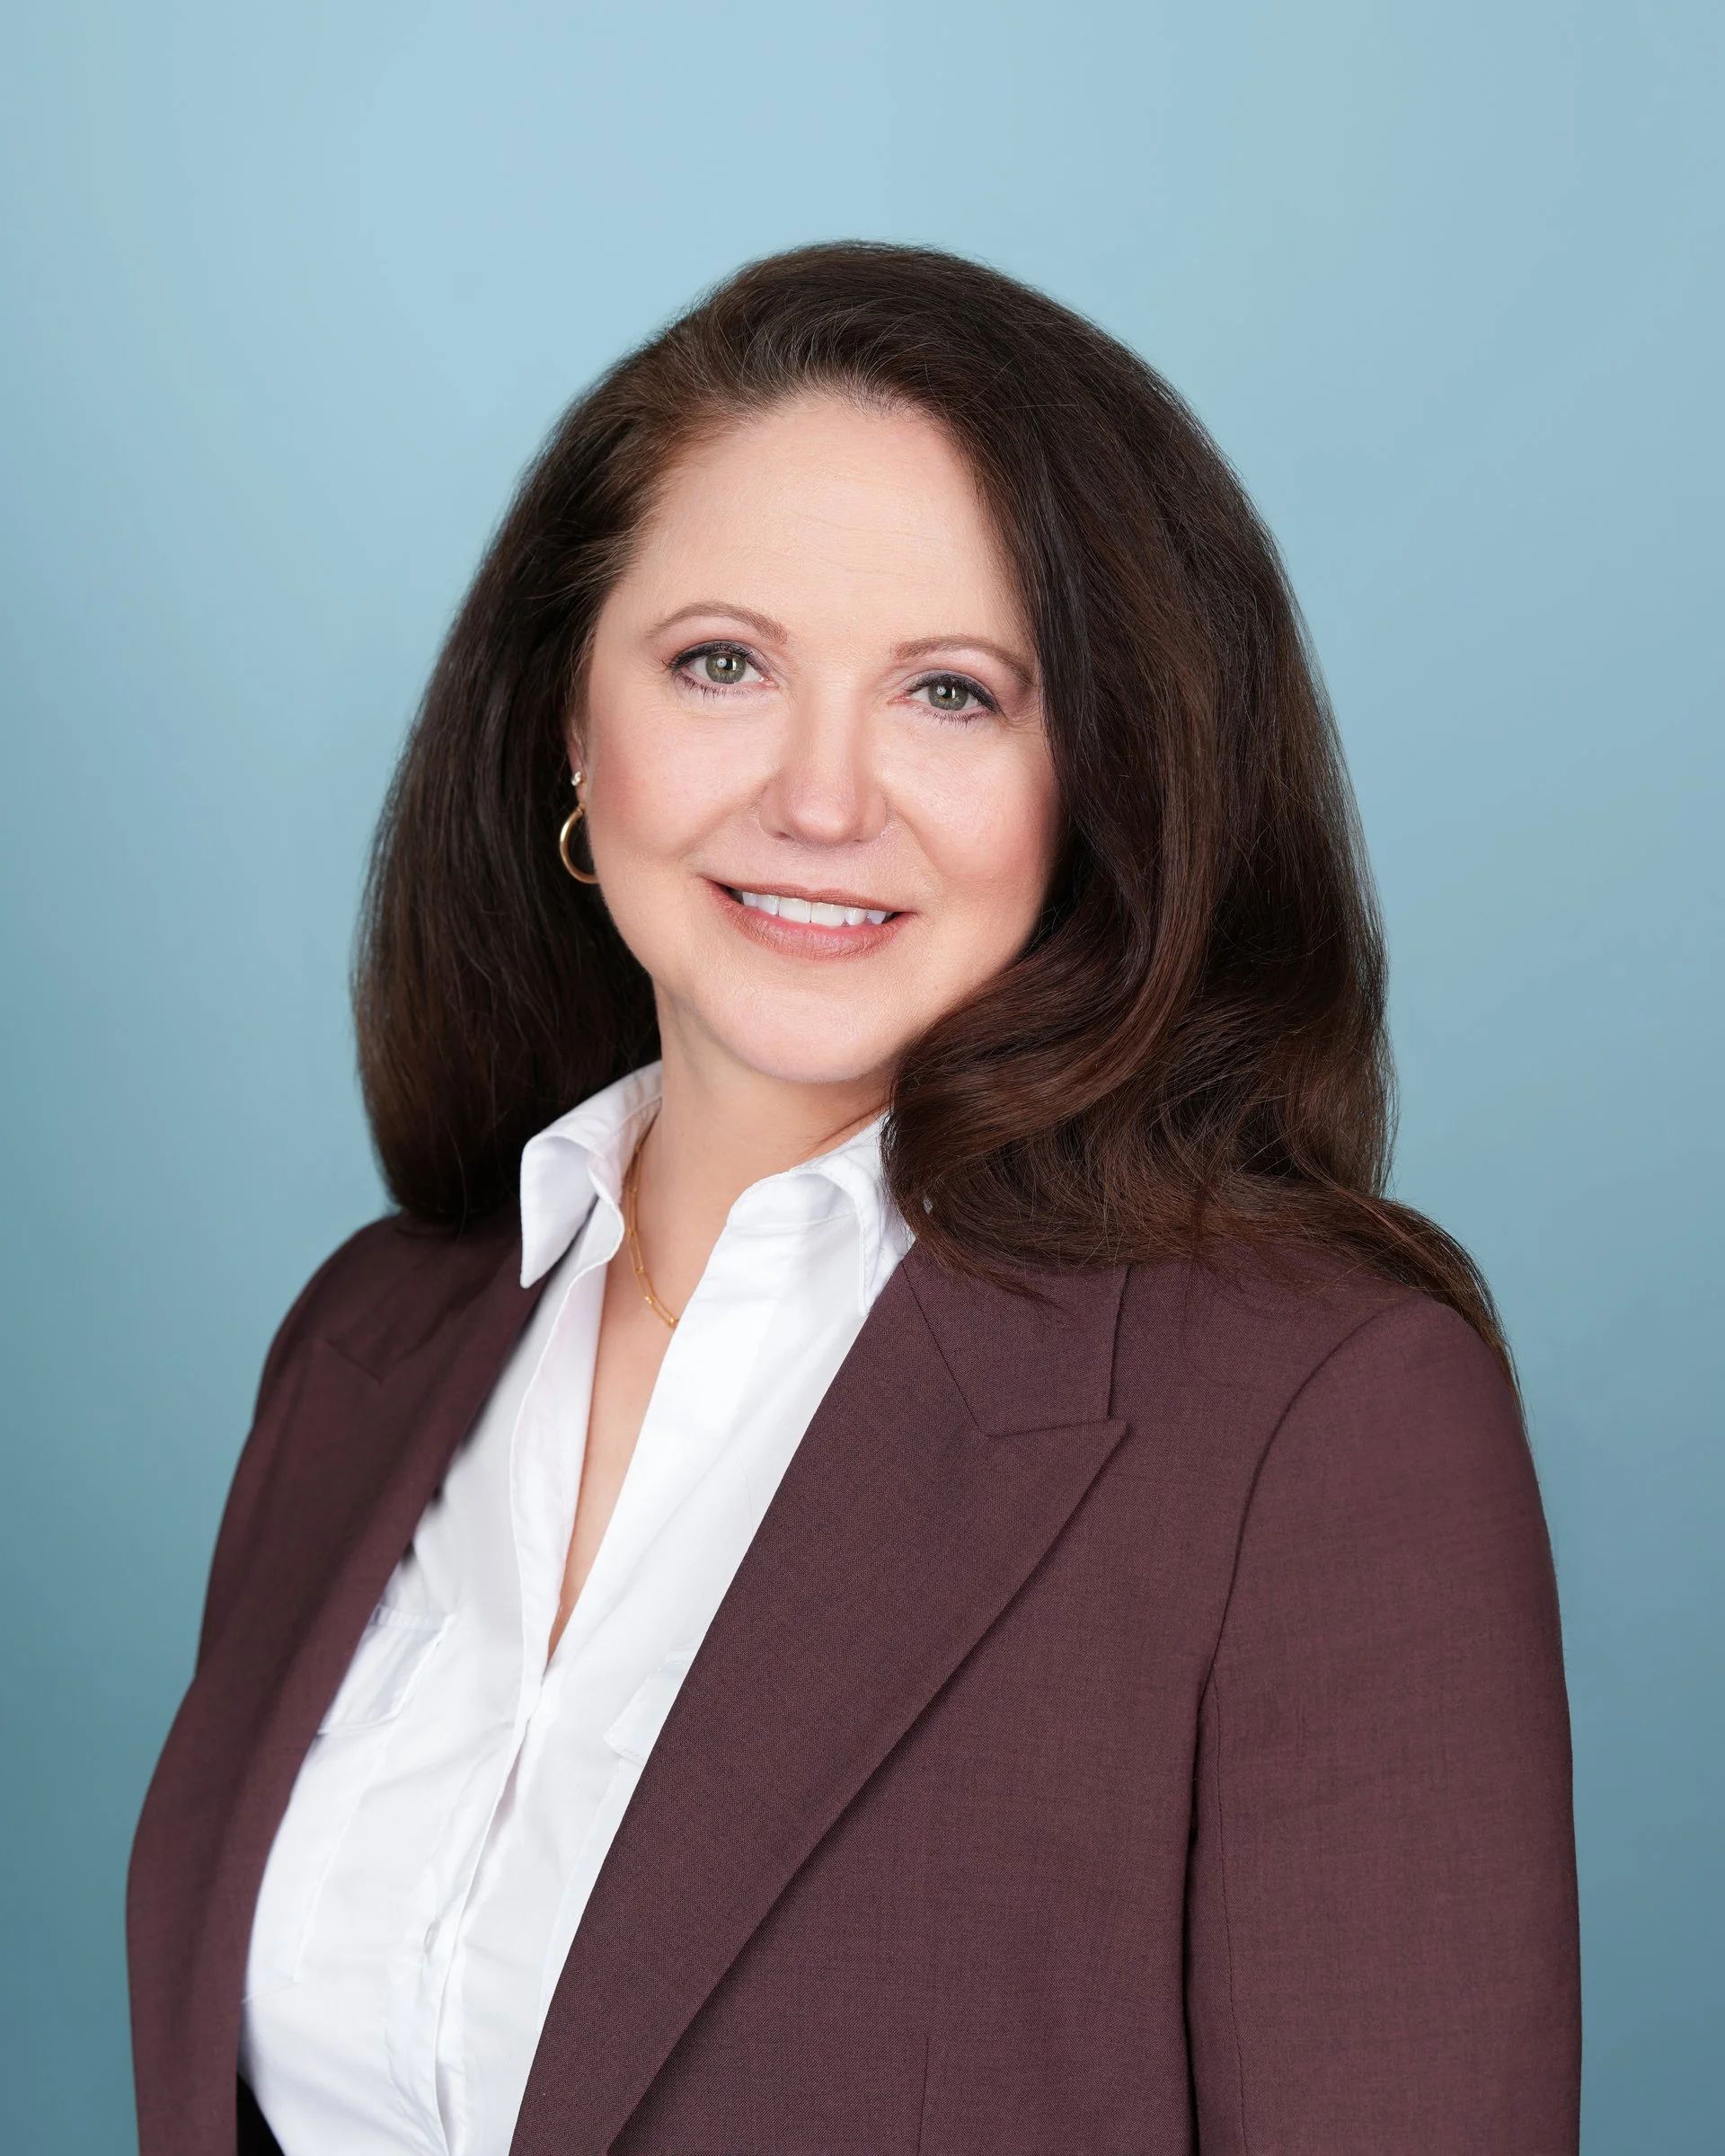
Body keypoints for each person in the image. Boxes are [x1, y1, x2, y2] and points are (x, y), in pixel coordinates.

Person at [127, 239, 1581, 2156]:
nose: (821, 799)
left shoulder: (1317, 1427)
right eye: (720, 663)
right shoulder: (369, 1343)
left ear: (1106, 775)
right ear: (572, 726)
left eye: (954, 695)